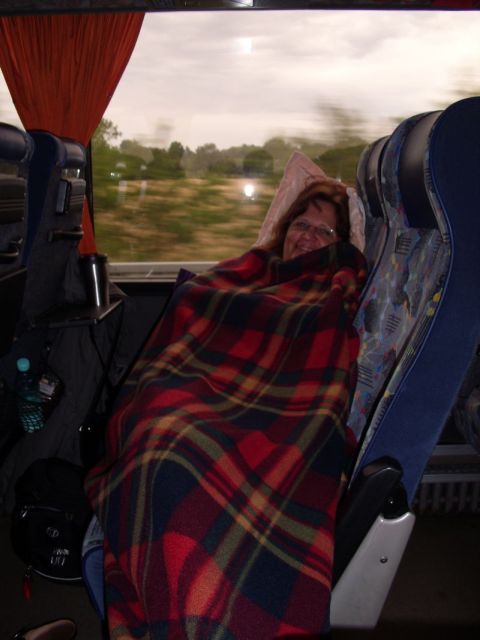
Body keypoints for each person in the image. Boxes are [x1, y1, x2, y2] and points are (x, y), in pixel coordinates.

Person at [86, 153, 367, 640]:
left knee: (174, 458)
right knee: (156, 425)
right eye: (301, 224)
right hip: (204, 387)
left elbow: (323, 353)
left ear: (341, 245)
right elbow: (201, 299)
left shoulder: (334, 281)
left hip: (277, 410)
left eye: (325, 232)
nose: (307, 237)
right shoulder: (257, 266)